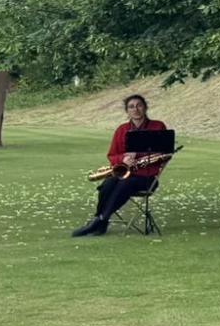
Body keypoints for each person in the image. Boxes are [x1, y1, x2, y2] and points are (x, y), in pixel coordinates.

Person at [71, 94, 167, 237]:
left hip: (147, 177)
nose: (135, 109)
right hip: (125, 172)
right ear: (127, 111)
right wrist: (124, 158)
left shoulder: (158, 126)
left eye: (139, 105)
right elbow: (112, 155)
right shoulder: (122, 130)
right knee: (107, 185)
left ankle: (99, 220)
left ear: (145, 107)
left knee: (124, 184)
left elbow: (165, 152)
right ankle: (100, 223)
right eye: (131, 107)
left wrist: (141, 156)